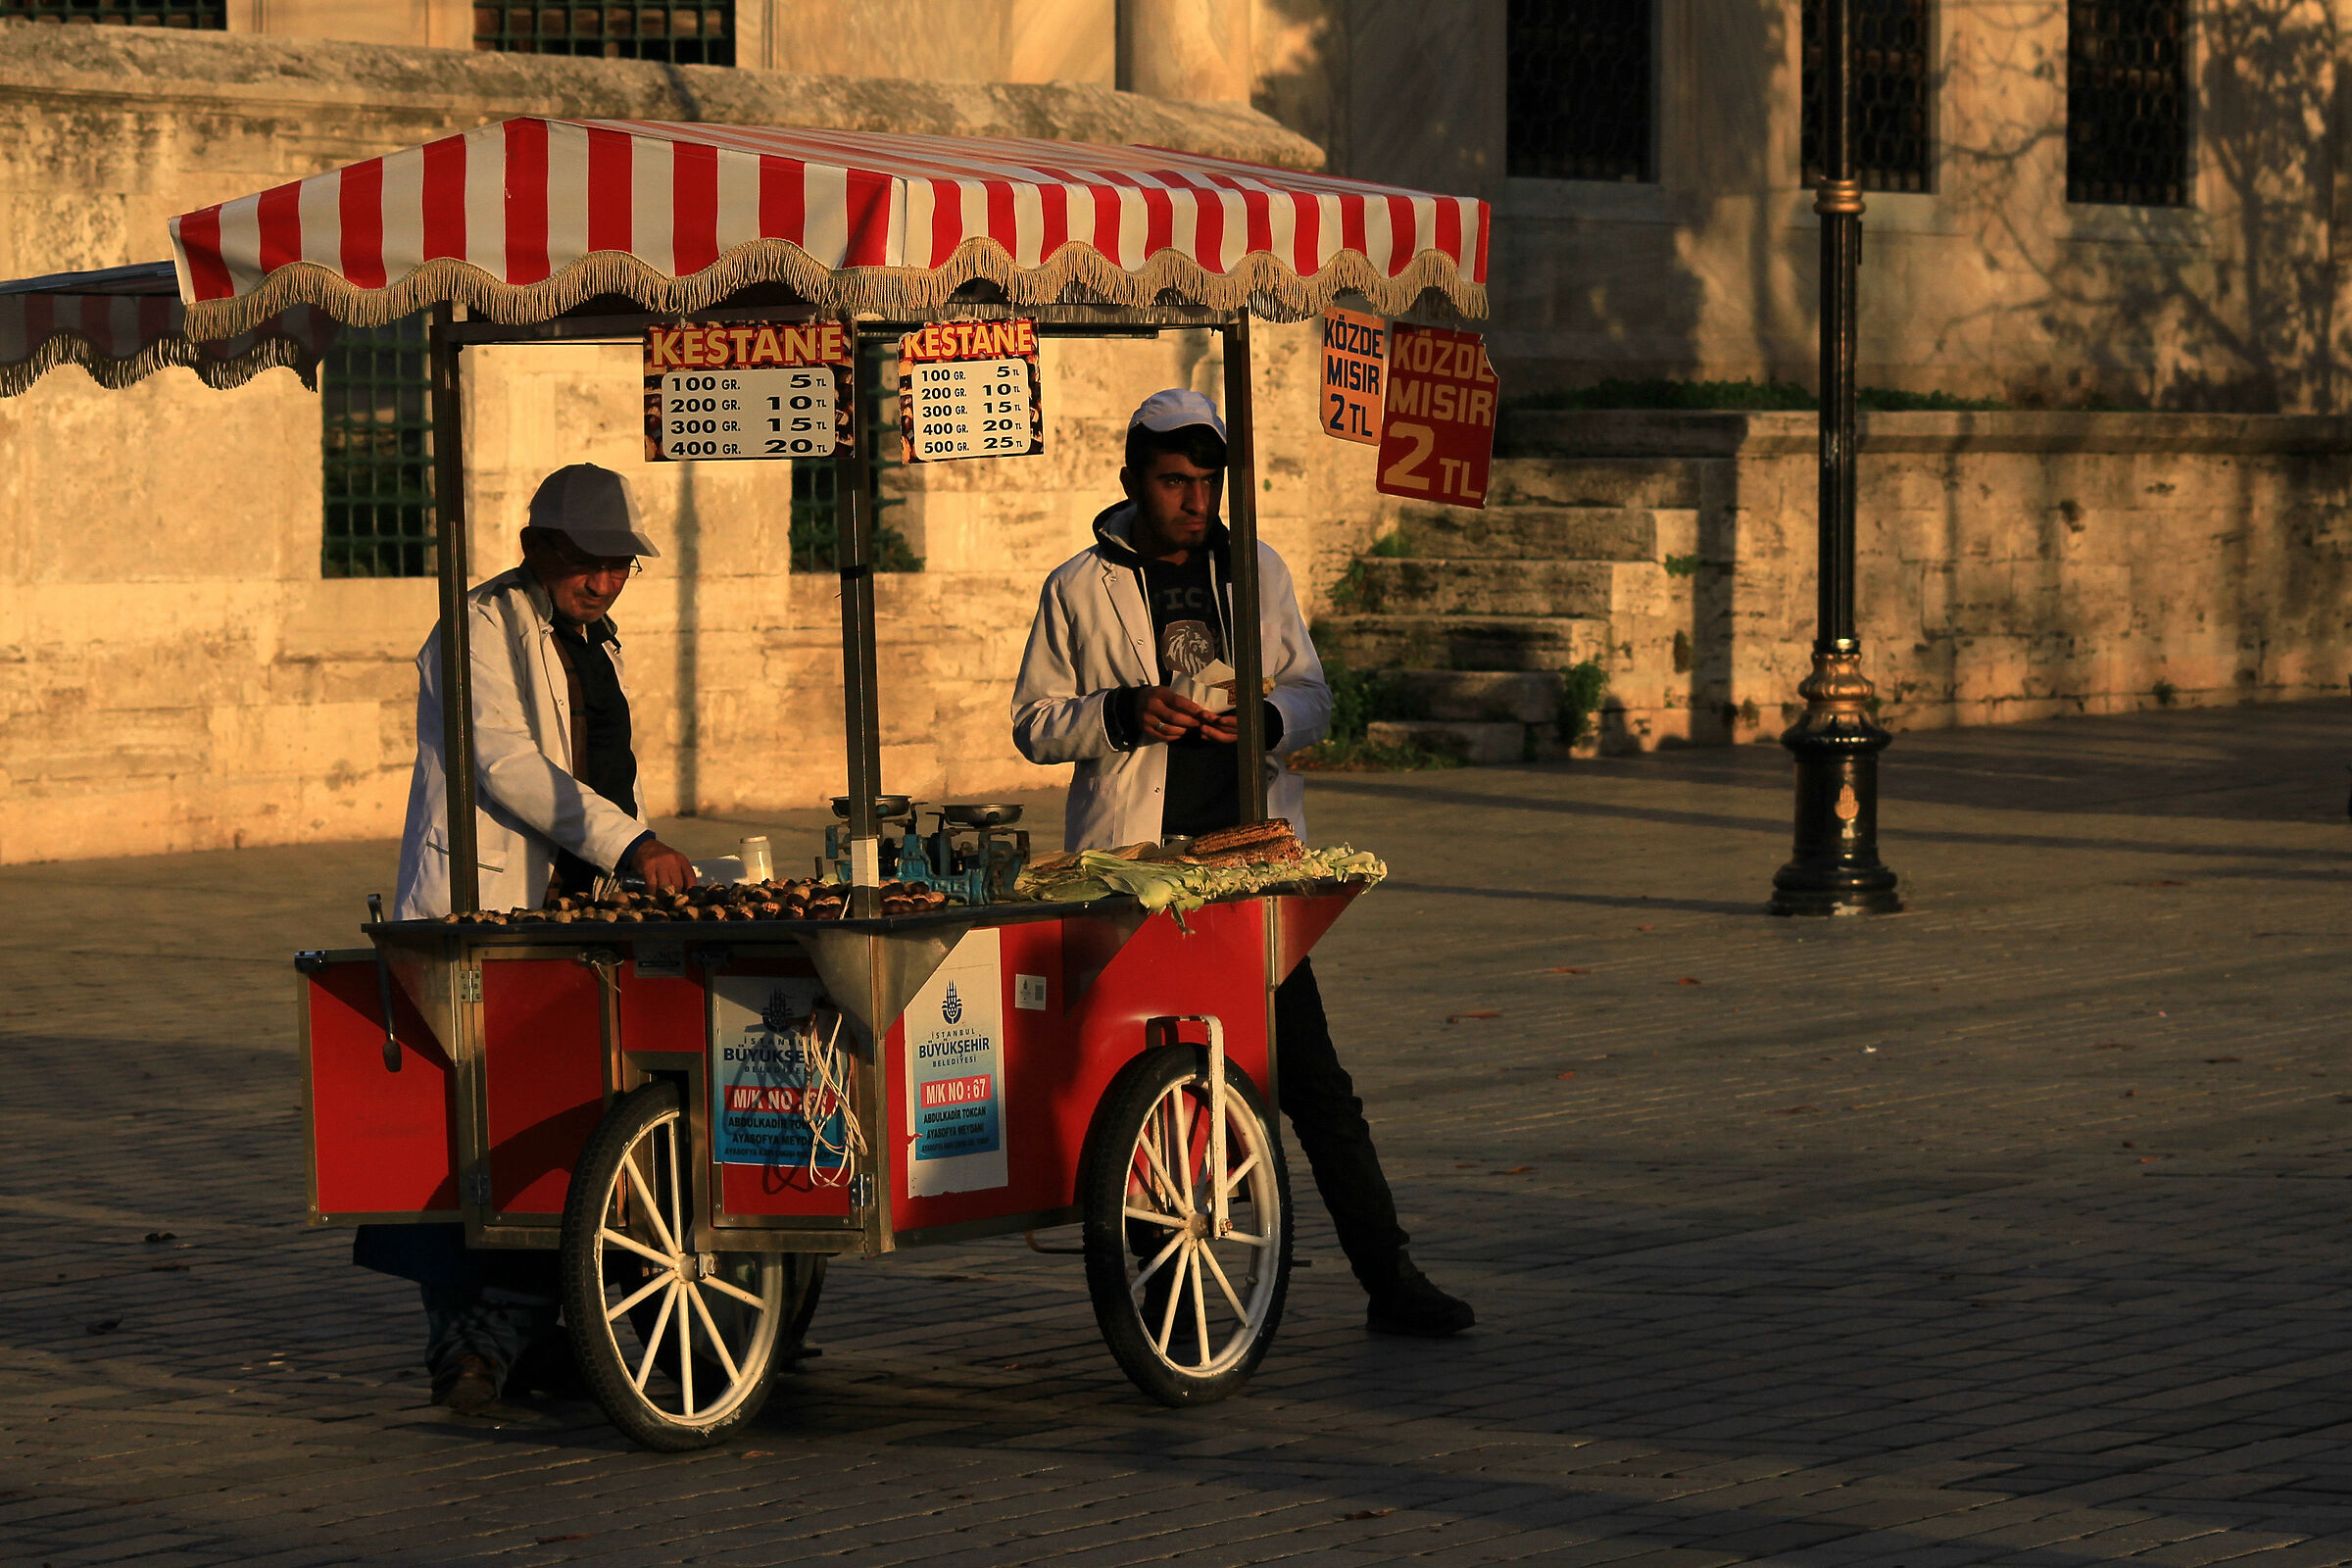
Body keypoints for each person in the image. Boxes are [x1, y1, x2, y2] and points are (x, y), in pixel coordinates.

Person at [1011, 389, 1475, 1338]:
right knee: (1139, 1091)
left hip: (1245, 871)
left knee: (1313, 1080)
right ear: (1134, 480)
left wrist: (1263, 721)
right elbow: (1033, 720)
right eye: (1175, 482)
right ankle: (1164, 1299)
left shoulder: (1254, 569)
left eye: (1207, 482)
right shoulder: (1076, 586)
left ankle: (1389, 1273)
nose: (1194, 500)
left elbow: (1313, 696)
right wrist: (1119, 714)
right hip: (1137, 874)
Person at [362, 462, 696, 1416]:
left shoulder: (595, 639)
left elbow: (606, 760)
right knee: (476, 1134)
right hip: (486, 908)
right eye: (584, 563)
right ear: (538, 551)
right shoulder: (475, 631)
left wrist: (632, 852)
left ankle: (549, 1335)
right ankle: (468, 1348)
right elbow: (509, 763)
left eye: (617, 565)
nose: (601, 581)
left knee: (568, 1124)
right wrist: (630, 844)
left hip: (576, 917)